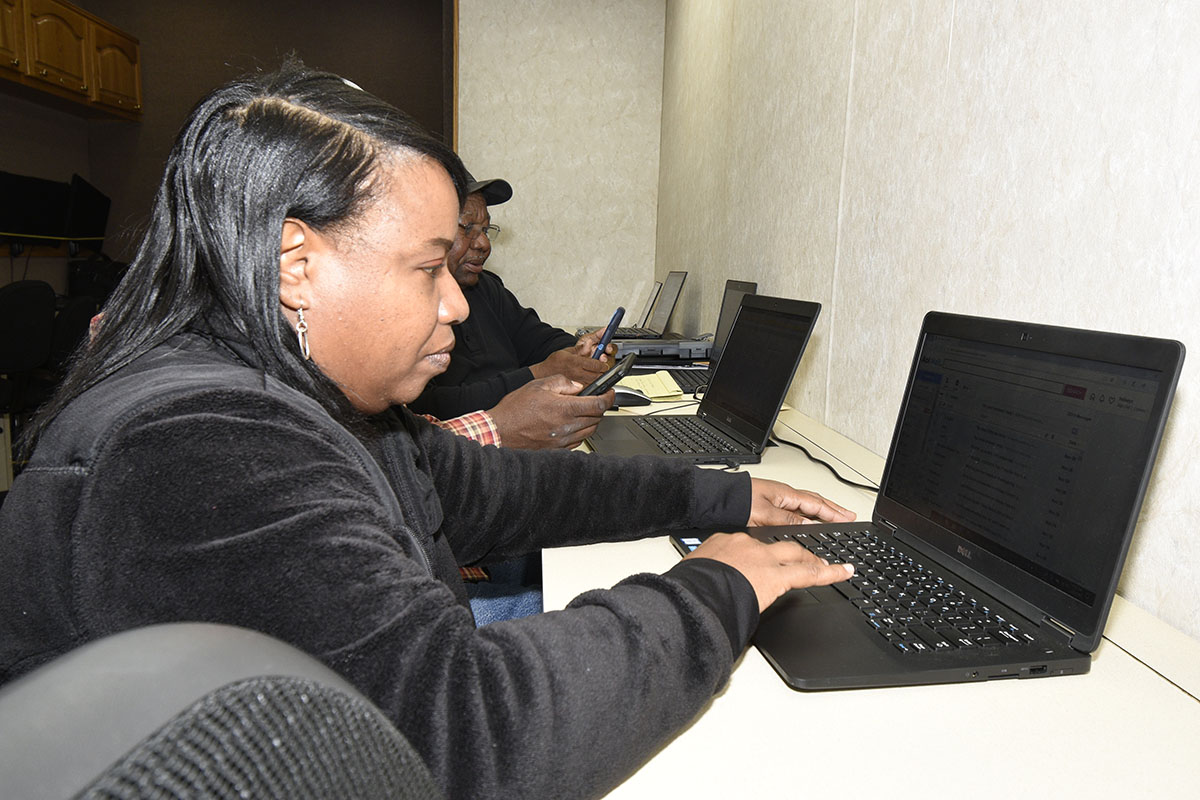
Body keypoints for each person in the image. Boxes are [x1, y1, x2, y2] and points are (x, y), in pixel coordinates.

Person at [0, 62, 855, 800]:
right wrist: (717, 585)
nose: (455, 303)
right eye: (427, 268)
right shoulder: (198, 447)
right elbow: (466, 740)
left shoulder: (312, 398)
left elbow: (498, 490)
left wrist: (726, 495)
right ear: (297, 265)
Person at [406, 173, 616, 450]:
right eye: (467, 228)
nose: (484, 244)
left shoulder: (487, 288)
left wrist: (579, 353)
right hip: (471, 451)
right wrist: (539, 373)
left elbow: (539, 339)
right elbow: (427, 406)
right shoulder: (408, 306)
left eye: (485, 229)